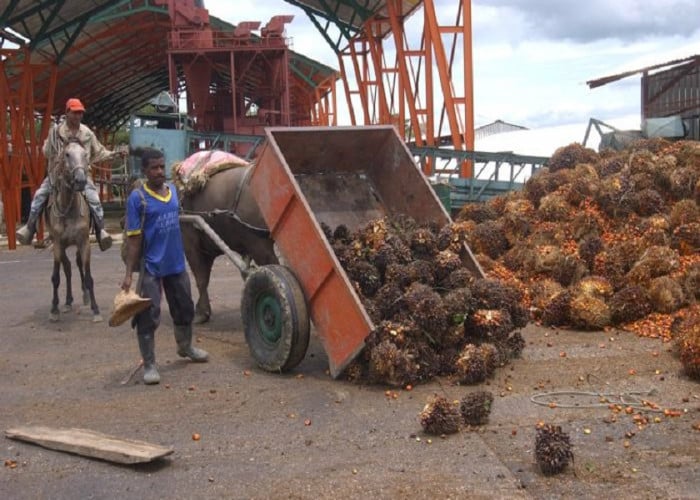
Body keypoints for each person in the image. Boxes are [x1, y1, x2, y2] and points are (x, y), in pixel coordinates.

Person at [121, 147, 208, 385]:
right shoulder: (137, 199)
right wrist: (129, 274)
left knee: (185, 308)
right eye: (154, 168)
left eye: (162, 166)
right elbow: (134, 239)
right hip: (152, 267)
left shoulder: (173, 192)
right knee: (148, 315)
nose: (160, 171)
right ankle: (149, 364)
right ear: (145, 171)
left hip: (176, 264)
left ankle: (186, 347)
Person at [16, 98, 125, 251]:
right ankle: (29, 227)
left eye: (80, 113)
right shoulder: (56, 131)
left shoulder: (86, 133)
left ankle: (101, 231)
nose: (78, 116)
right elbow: (46, 152)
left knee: (94, 200)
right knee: (39, 196)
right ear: (67, 113)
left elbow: (99, 151)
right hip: (58, 175)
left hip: (82, 175)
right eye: (75, 112)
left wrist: (114, 154)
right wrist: (55, 147)